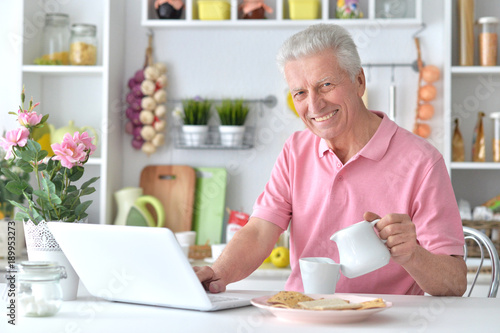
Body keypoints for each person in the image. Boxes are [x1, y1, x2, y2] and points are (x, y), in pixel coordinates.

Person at [195, 24, 467, 296]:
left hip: (384, 321)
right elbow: (258, 232)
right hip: (304, 314)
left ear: (359, 81)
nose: (314, 105)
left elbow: (455, 283)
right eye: (300, 93)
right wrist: (218, 273)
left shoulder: (422, 161)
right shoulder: (295, 150)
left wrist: (413, 255)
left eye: (325, 85)